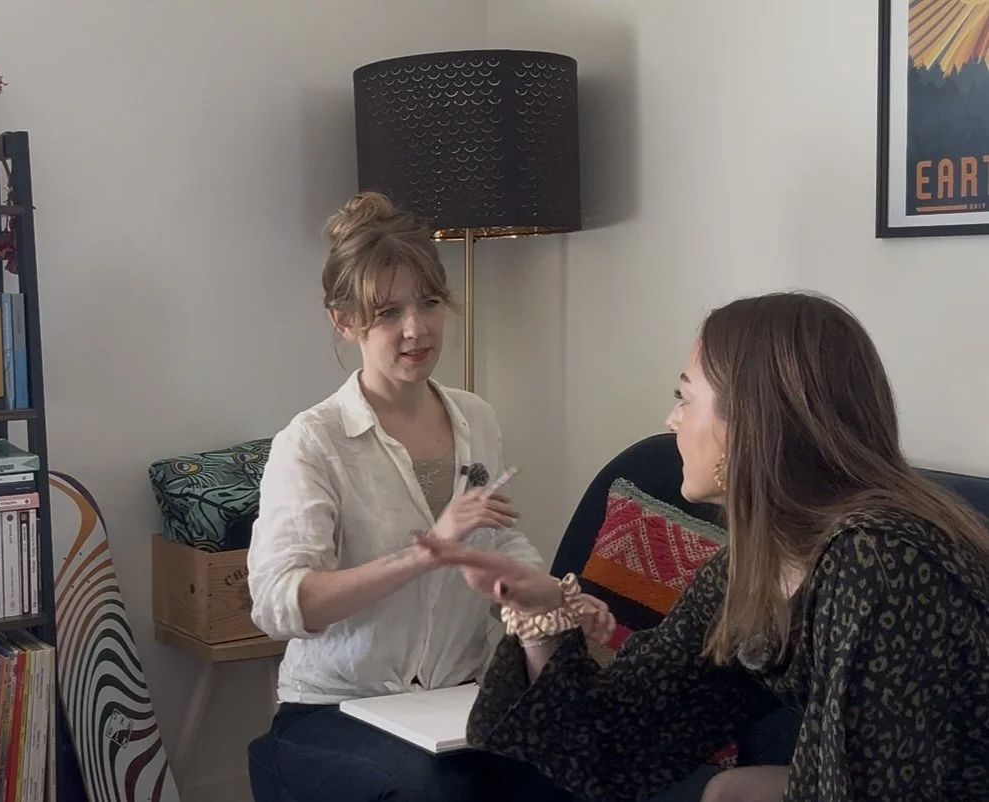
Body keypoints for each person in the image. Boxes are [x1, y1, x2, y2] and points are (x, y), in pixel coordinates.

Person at [416, 291, 989, 802]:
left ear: (752, 419)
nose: (670, 419)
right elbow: (621, 734)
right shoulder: (759, 560)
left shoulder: (881, 562)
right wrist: (543, 614)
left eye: (685, 398)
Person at [245, 191, 572, 801]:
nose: (416, 329)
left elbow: (497, 536)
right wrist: (426, 552)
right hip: (335, 709)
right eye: (388, 313)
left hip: (460, 701)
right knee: (438, 793)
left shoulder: (476, 418)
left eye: (428, 304)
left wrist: (546, 592)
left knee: (563, 776)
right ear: (343, 322)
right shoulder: (311, 442)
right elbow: (281, 605)